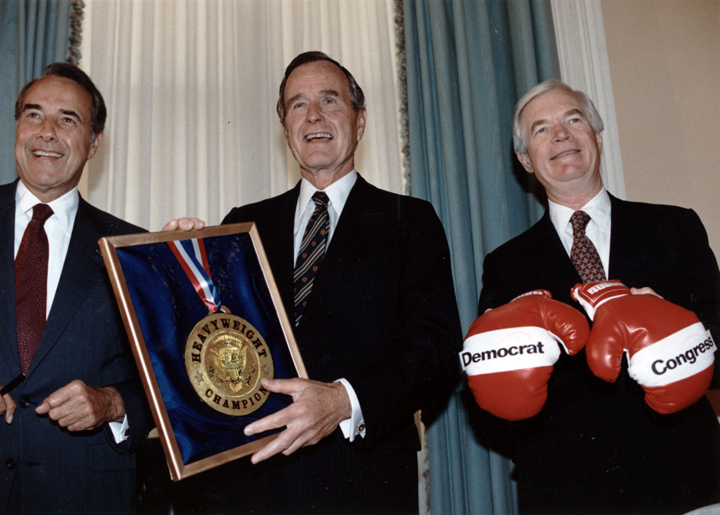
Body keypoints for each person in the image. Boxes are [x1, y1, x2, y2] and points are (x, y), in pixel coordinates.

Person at [162, 51, 462, 514]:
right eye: (298, 105)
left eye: (330, 100)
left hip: (362, 483)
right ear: (286, 128)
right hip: (252, 485)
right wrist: (173, 269)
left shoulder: (410, 220)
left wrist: (343, 400)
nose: (314, 115)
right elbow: (207, 347)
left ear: (360, 121)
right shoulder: (241, 226)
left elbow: (436, 354)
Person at [473, 79, 720, 513]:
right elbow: (494, 402)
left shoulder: (675, 228)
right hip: (568, 492)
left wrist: (680, 334)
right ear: (525, 160)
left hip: (685, 479)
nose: (561, 135)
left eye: (573, 120)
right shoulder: (505, 264)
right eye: (541, 129)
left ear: (598, 136)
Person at [0, 63, 152, 514]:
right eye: (34, 115)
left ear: (93, 142)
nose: (46, 132)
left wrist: (112, 403)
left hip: (84, 494)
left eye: (67, 119)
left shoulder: (132, 247)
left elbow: (164, 381)